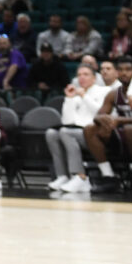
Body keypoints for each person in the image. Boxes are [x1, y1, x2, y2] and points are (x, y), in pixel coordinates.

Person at [83, 58, 132, 193]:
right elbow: (98, 116)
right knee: (90, 129)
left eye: (128, 70)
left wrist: (120, 120)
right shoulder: (114, 94)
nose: (124, 73)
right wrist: (104, 120)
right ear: (117, 73)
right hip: (125, 139)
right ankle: (109, 177)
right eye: (121, 70)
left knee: (131, 129)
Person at [46, 63, 107, 193]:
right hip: (75, 131)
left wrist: (84, 96)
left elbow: (99, 113)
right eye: (79, 75)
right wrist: (69, 99)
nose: (82, 78)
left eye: (86, 74)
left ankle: (80, 177)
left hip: (94, 134)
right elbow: (66, 121)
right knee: (51, 133)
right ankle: (62, 176)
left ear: (94, 78)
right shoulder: (76, 93)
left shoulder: (103, 91)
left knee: (66, 132)